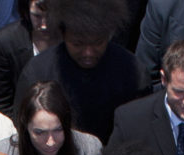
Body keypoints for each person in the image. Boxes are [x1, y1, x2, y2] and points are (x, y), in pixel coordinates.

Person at [14, 0, 146, 142]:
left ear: (109, 35)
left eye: (98, 43)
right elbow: (23, 127)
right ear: (63, 35)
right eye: (78, 44)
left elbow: (139, 128)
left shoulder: (131, 71)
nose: (88, 52)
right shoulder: (37, 72)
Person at [0, 0, 54, 117]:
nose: (44, 25)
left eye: (50, 16)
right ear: (26, 11)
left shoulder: (73, 38)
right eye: (37, 16)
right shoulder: (6, 42)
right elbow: (0, 102)